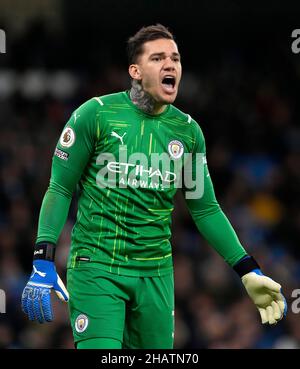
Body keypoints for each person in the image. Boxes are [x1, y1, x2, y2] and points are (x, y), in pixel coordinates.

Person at [21, 24, 287, 349]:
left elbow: (205, 208)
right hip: (97, 267)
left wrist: (248, 269)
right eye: (158, 58)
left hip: (156, 274)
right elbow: (60, 188)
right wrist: (43, 256)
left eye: (175, 58)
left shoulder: (188, 132)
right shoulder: (95, 115)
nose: (170, 65)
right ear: (135, 70)